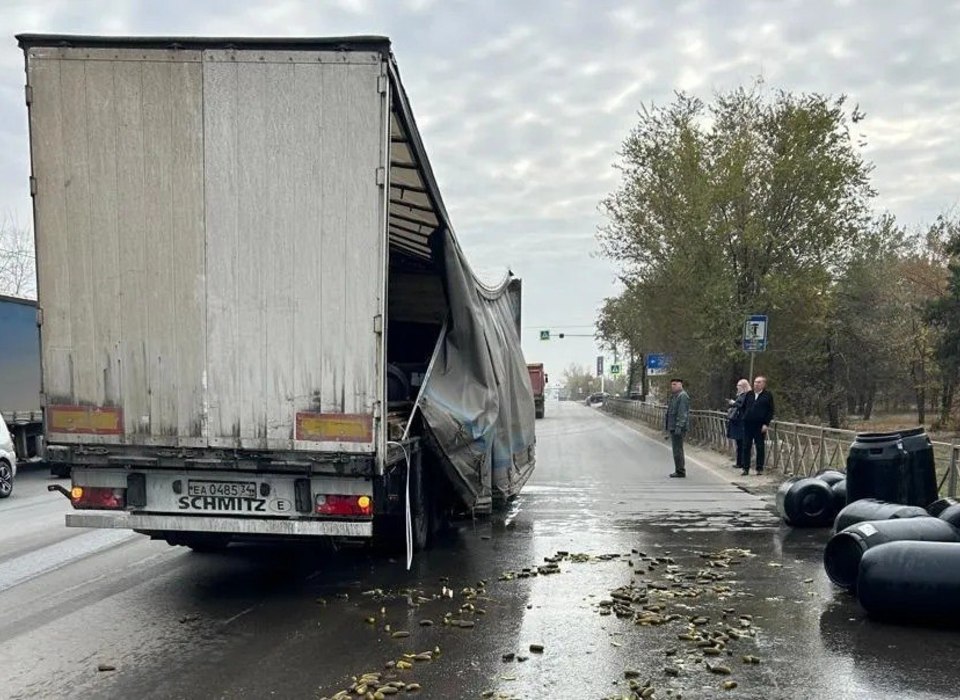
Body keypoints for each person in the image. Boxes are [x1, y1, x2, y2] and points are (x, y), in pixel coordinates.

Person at [742, 375, 775, 476]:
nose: (756, 384)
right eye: (755, 382)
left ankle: (759, 468)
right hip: (748, 424)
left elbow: (770, 411)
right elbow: (743, 407)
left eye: (759, 382)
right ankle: (745, 468)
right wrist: (745, 417)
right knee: (746, 446)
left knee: (760, 446)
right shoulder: (749, 394)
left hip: (760, 425)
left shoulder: (767, 395)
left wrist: (766, 423)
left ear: (764, 384)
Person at [664, 378, 690, 478]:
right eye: (672, 384)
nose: (673, 386)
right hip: (673, 426)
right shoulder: (675, 396)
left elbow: (682, 413)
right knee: (676, 449)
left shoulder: (682, 396)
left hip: (678, 427)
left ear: (680, 385)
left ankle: (680, 471)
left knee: (678, 449)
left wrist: (679, 426)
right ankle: (678, 469)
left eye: (675, 384)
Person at [726, 379, 751, 471]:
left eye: (739, 386)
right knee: (739, 443)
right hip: (737, 422)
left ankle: (743, 463)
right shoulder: (741, 395)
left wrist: (734, 403)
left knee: (743, 443)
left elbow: (743, 406)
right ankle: (739, 462)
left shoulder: (747, 395)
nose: (737, 387)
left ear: (744, 386)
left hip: (742, 422)